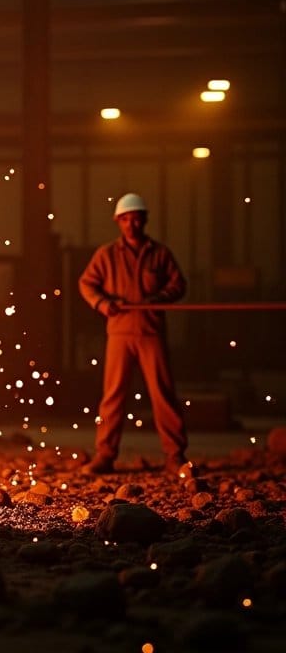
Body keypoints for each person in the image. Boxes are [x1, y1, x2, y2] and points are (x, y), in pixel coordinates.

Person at [78, 192, 191, 478]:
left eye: (136, 218)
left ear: (144, 220)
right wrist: (103, 303)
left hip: (150, 332)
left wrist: (160, 297)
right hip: (119, 333)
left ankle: (175, 456)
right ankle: (105, 454)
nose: (131, 224)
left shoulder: (160, 254)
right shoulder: (106, 255)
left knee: (162, 394)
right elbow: (86, 284)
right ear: (118, 221)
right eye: (126, 219)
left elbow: (178, 285)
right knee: (113, 395)